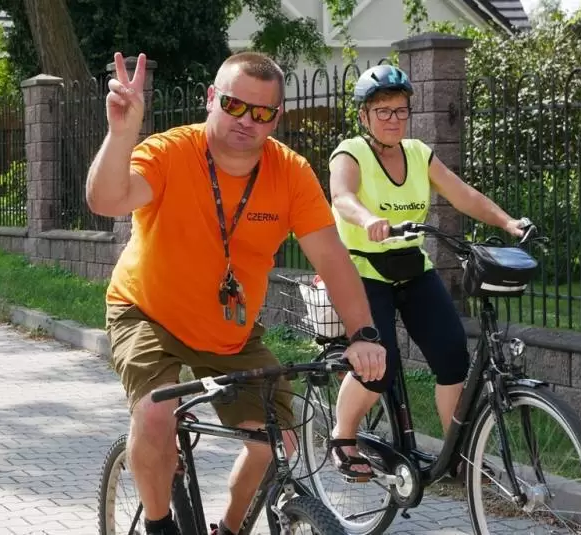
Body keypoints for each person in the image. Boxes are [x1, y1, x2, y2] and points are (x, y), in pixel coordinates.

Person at [86, 51, 387, 535]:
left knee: (275, 442)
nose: (247, 120)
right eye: (234, 105)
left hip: (229, 331)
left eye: (262, 112)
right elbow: (105, 199)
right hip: (147, 312)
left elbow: (332, 259)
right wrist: (122, 135)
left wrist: (363, 334)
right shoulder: (169, 152)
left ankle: (227, 529)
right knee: (156, 412)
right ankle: (160, 526)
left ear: (276, 118)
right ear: (212, 99)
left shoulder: (290, 173)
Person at [327, 64, 526, 481]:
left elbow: (462, 195)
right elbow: (342, 196)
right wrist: (367, 219)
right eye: (383, 111)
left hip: (413, 268)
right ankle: (343, 437)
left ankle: (457, 456)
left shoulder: (418, 154)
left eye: (401, 110)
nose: (393, 119)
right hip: (364, 271)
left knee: (453, 356)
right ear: (364, 115)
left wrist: (508, 222)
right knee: (376, 365)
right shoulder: (351, 152)